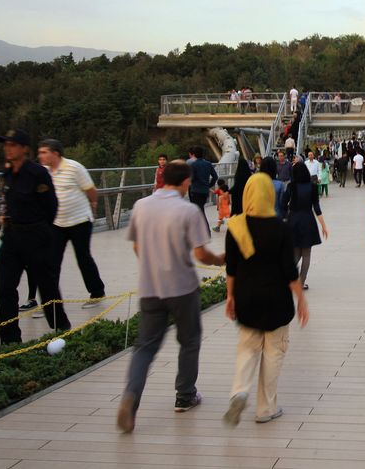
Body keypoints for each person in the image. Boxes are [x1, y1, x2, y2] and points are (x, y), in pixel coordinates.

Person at [117, 161, 225, 434]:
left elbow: (138, 246)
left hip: (150, 288)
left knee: (144, 347)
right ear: (186, 181)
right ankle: (185, 396)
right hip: (182, 288)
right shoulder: (188, 211)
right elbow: (201, 255)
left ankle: (131, 397)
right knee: (189, 341)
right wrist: (220, 260)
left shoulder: (141, 206)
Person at [221, 172, 309, 427]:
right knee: (274, 353)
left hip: (246, 298)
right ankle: (265, 409)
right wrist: (301, 300)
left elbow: (232, 268)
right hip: (277, 300)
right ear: (270, 195)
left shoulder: (235, 226)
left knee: (247, 349)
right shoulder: (280, 228)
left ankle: (239, 391)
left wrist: (229, 297)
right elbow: (290, 271)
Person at [0, 129, 71, 354]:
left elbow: (51, 206)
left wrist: (41, 231)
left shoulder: (37, 173)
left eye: (12, 145)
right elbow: (5, 197)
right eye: (5, 144)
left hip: (36, 235)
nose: (7, 148)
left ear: (24, 149)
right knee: (5, 288)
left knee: (47, 286)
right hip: (11, 237)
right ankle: (9, 341)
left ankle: (62, 329)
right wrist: (4, 214)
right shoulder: (7, 173)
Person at [37, 139, 106, 307]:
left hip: (80, 221)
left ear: (55, 153)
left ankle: (97, 292)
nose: (40, 156)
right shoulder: (42, 172)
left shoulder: (74, 168)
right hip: (56, 223)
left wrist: (93, 207)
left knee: (83, 257)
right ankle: (51, 302)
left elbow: (91, 190)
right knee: (52, 261)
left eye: (44, 152)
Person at [283, 162, 328, 290]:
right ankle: (301, 282)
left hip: (293, 220)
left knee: (296, 252)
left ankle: (287, 278)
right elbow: (316, 207)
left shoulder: (291, 186)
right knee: (306, 254)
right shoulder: (313, 187)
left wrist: (286, 216)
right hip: (308, 220)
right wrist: (323, 226)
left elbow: (283, 203)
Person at [186, 146, 218, 233]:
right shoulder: (208, 164)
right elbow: (215, 177)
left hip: (195, 191)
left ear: (194, 154)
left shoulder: (193, 165)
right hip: (204, 191)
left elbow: (191, 178)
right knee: (200, 209)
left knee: (199, 210)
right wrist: (208, 185)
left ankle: (205, 230)